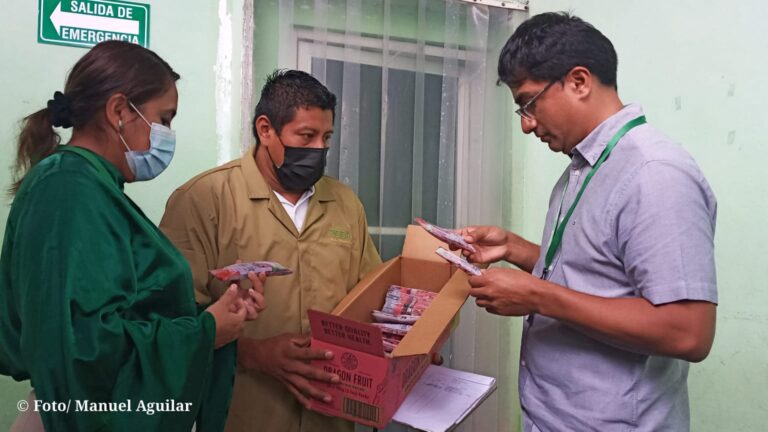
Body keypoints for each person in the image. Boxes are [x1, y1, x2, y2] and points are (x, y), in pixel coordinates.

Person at [458, 12, 718, 431]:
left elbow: (687, 332)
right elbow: (599, 273)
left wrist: (539, 296)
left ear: (579, 81)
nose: (527, 125)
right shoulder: (582, 167)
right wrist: (516, 250)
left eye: (529, 103)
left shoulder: (655, 173)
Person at [0, 40, 264, 432]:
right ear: (120, 111)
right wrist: (205, 332)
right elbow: (82, 349)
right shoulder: (68, 189)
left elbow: (122, 311)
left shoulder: (94, 188)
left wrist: (216, 315)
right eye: (165, 118)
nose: (168, 134)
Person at [160, 69, 382, 432]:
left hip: (330, 417)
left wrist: (404, 347)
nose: (318, 150)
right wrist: (253, 353)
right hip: (243, 414)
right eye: (306, 136)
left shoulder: (344, 203)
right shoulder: (204, 199)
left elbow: (370, 299)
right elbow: (172, 322)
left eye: (326, 138)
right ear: (266, 130)